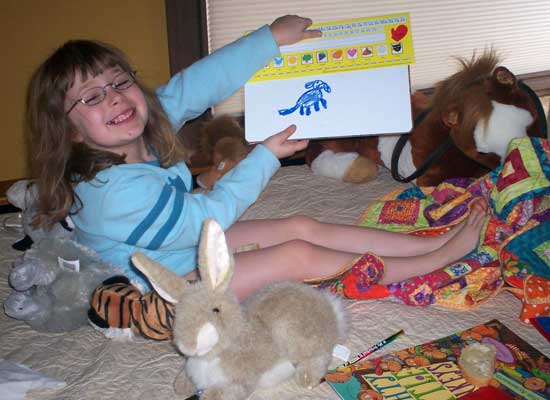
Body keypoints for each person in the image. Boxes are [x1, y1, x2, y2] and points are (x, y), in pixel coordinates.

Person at [28, 15, 487, 301]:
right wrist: (264, 156)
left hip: (184, 244)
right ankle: (433, 261)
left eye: (119, 82)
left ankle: (427, 242)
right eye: (91, 98)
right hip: (159, 291)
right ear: (68, 130)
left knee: (302, 223)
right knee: (296, 254)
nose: (114, 98)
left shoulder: (144, 122)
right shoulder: (112, 191)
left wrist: (268, 39)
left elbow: (198, 83)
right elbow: (209, 213)